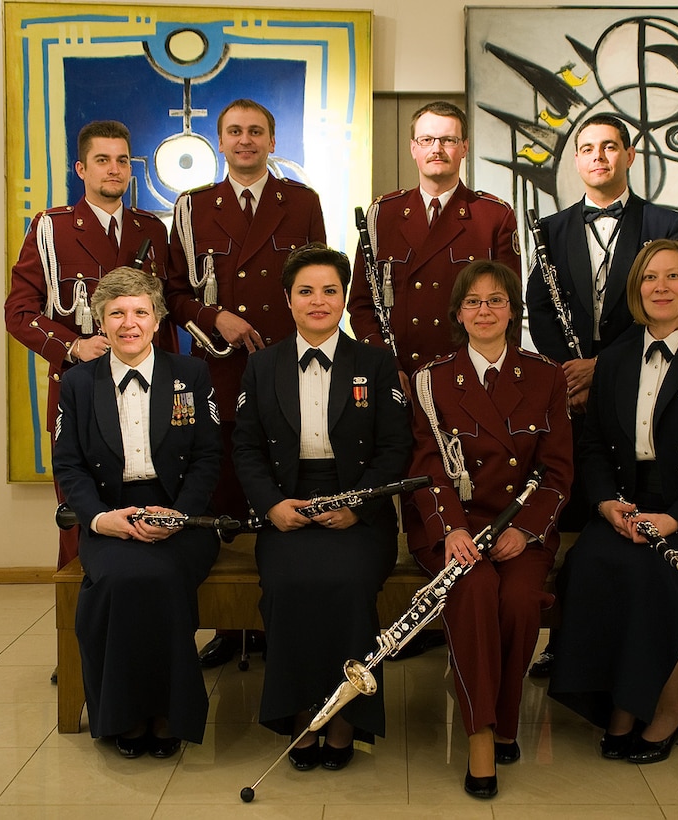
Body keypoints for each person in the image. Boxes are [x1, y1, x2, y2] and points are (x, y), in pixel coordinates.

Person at [547, 239, 678, 762]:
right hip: (630, 507)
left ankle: (666, 709)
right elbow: (593, 446)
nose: (661, 287)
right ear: (636, 289)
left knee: (659, 574)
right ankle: (615, 701)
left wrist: (675, 519)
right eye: (649, 278)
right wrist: (604, 505)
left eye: (672, 276)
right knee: (590, 562)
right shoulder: (615, 359)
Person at [233, 243, 411, 771]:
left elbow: (395, 449)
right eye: (305, 291)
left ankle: (344, 715)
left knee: (349, 586)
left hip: (359, 506)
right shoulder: (262, 367)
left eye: (329, 290)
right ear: (287, 300)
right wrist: (271, 507)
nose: (318, 301)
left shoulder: (376, 363)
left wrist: (358, 507)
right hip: (287, 504)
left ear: (345, 296)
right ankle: (296, 713)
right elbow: (244, 447)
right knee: (288, 587)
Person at [525, 112, 678, 677]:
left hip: (635, 380)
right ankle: (566, 639)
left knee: (624, 504)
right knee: (571, 509)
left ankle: (625, 634)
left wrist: (603, 366)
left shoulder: (666, 221)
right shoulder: (548, 228)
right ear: (576, 160)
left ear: (629, 155)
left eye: (610, 147)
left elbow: (665, 301)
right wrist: (568, 373)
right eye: (588, 148)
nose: (599, 157)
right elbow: (539, 308)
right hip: (568, 389)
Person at [167, 98, 327, 668]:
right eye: (234, 132)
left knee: (279, 485)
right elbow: (174, 293)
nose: (245, 140)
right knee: (229, 493)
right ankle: (231, 629)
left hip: (285, 368)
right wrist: (217, 319)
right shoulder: (193, 207)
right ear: (220, 141)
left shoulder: (301, 203)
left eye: (256, 131)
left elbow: (317, 282)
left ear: (272, 141)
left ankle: (276, 621)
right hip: (221, 368)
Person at [404, 260, 572, 798]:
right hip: (456, 528)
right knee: (474, 591)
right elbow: (427, 467)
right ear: (458, 313)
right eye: (473, 302)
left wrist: (525, 531)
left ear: (512, 311)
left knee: (521, 601)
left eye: (496, 300)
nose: (485, 310)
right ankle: (481, 732)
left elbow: (558, 469)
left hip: (520, 529)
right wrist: (451, 530)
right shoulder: (432, 380)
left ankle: (504, 712)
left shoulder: (545, 375)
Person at [52, 268, 222, 759]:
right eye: (117, 314)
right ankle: (125, 713)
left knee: (164, 576)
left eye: (140, 312)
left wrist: (176, 516)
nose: (130, 323)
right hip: (109, 512)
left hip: (183, 514)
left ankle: (171, 711)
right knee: (122, 579)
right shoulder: (78, 383)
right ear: (101, 324)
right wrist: (102, 520)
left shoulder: (190, 374)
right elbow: (69, 465)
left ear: (157, 319)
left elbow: (209, 458)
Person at [5, 120, 173, 573]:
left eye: (122, 161)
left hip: (147, 394)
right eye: (102, 160)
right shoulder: (50, 228)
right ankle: (84, 636)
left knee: (149, 511)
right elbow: (18, 312)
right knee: (82, 520)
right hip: (80, 390)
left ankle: (139, 630)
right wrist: (73, 346)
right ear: (82, 168)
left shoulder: (151, 230)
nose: (113, 170)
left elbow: (166, 316)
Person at [348, 100, 520, 397]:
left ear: (464, 147)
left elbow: (509, 307)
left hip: (468, 380)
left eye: (448, 140)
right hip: (396, 377)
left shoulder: (494, 216)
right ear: (413, 148)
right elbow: (361, 306)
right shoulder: (382, 215)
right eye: (427, 140)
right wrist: (385, 365)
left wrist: (490, 371)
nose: (436, 149)